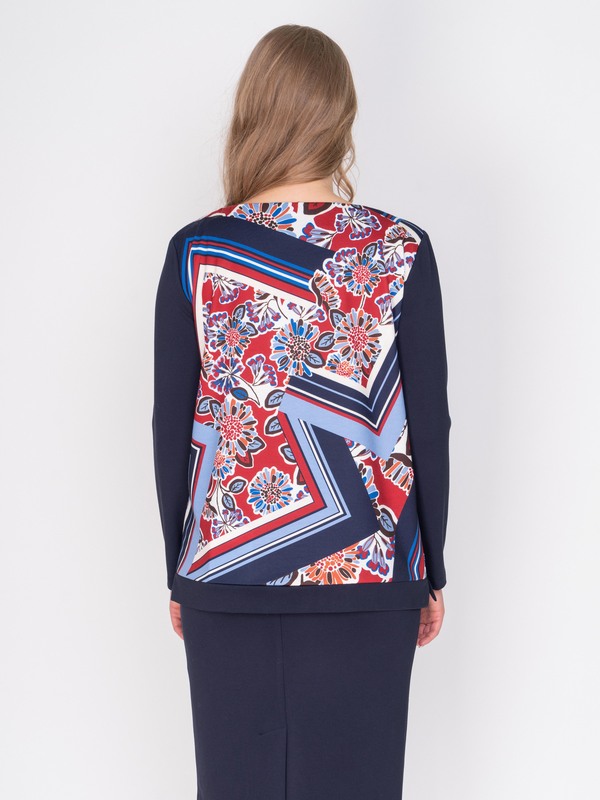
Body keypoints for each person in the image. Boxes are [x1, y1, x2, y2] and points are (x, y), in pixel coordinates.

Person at [152, 23, 451, 800]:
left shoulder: (198, 252)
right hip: (371, 575)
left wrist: (180, 566)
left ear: (252, 113)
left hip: (226, 572)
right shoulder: (399, 249)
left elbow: (169, 425)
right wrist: (432, 568)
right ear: (341, 116)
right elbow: (430, 422)